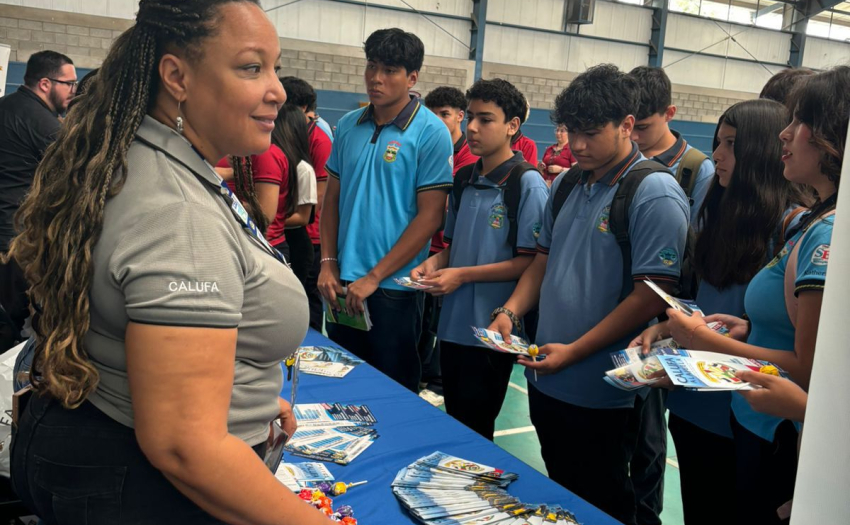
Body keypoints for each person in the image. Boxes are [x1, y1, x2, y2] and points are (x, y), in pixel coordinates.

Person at [4, 1, 330, 523]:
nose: (278, 90)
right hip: (143, 487)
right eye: (251, 67)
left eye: (273, 66)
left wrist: (244, 396)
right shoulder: (177, 214)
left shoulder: (144, 158)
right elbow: (185, 447)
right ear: (177, 76)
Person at [488, 64, 689, 525]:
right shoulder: (566, 185)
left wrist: (575, 352)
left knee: (607, 501)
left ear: (626, 125)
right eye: (572, 132)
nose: (576, 145)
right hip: (548, 375)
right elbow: (542, 261)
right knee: (565, 490)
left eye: (591, 133)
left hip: (606, 393)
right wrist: (510, 310)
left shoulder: (653, 191)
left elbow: (650, 297)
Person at [658, 66, 848, 525]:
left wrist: (702, 340)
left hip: (777, 431)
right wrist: (748, 327)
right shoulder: (816, 223)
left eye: (799, 121)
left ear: (829, 137)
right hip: (757, 425)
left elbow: (809, 364)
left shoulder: (824, 235)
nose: (785, 133)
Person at [631, 99, 809, 525]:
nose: (718, 155)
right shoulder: (713, 212)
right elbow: (710, 308)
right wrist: (668, 333)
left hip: (749, 410)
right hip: (694, 402)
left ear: (763, 151)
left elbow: (782, 336)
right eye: (717, 142)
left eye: (732, 143)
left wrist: (701, 338)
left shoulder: (793, 228)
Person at [319, 28, 453, 392]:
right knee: (342, 387)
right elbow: (331, 199)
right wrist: (328, 263)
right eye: (372, 66)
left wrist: (375, 276)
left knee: (392, 392)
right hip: (343, 284)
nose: (376, 79)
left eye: (390, 70)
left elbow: (430, 217)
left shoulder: (430, 132)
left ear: (412, 78)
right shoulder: (348, 126)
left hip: (394, 289)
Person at [413, 78, 548, 439]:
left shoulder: (527, 184)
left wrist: (462, 276)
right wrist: (436, 263)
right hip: (453, 324)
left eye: (485, 119)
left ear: (512, 126)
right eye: (470, 117)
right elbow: (454, 246)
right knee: (455, 419)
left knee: (476, 429)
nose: (472, 127)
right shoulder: (463, 179)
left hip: (491, 331)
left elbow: (529, 262)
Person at [626, 64, 716, 525]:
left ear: (670, 113)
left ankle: (647, 515)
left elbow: (693, 253)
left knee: (649, 433)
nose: (635, 135)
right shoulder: (619, 163)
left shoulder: (697, 170)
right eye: (629, 125)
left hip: (665, 319)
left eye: (643, 126)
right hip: (621, 311)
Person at [0, 50, 76, 347]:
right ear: (45, 83)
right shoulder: (43, 123)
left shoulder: (5, 106)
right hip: (16, 241)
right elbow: (79, 172)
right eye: (68, 84)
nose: (73, 90)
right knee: (18, 328)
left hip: (7, 231)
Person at [419, 86, 479, 396]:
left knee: (442, 319)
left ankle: (439, 381)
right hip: (426, 248)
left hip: (450, 250)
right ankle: (425, 372)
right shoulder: (429, 148)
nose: (438, 120)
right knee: (425, 317)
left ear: (459, 116)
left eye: (444, 114)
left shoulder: (468, 159)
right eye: (432, 114)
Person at [280, 76, 332, 331]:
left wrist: (276, 217)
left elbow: (319, 199)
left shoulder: (318, 140)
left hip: (308, 235)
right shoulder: (281, 138)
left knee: (306, 300)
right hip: (287, 230)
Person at [275, 104, 319, 286]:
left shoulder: (303, 169)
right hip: (278, 235)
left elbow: (303, 216)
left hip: (295, 245)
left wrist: (266, 219)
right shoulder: (276, 161)